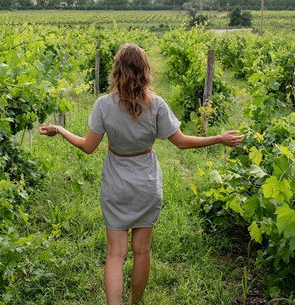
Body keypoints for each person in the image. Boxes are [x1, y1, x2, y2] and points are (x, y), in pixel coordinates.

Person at [39, 43, 244, 305]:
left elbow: (88, 147)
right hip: (146, 185)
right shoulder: (155, 104)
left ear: (116, 71)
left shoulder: (103, 105)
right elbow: (181, 142)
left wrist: (60, 129)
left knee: (115, 254)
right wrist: (218, 138)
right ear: (145, 70)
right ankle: (135, 302)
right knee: (142, 251)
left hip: (115, 185)